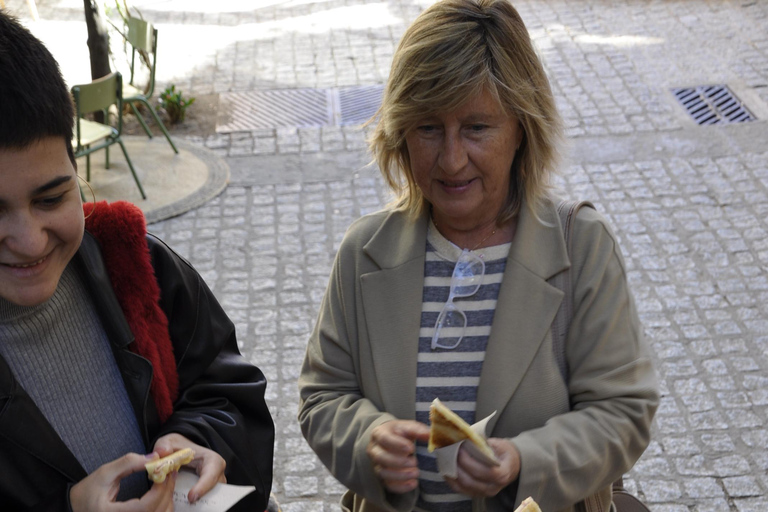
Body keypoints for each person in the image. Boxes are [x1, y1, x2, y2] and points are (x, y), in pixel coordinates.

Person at [297, 0, 659, 511]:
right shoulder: (365, 253)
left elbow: (624, 411)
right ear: (400, 132)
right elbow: (322, 396)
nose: (450, 159)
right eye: (427, 127)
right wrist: (366, 438)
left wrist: (523, 460)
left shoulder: (581, 245)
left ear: (521, 129)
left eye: (476, 128)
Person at [0, 11, 274, 512]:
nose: (30, 241)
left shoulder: (140, 267)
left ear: (75, 167)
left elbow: (227, 389)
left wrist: (198, 442)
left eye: (51, 199)